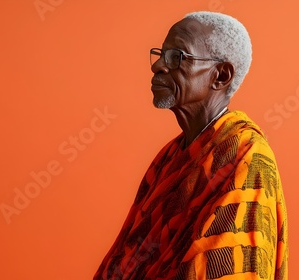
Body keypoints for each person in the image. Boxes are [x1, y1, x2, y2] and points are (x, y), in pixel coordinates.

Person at [94, 11, 288, 279]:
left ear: (220, 76)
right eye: (161, 54)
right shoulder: (170, 156)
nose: (158, 66)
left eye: (177, 57)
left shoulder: (246, 156)